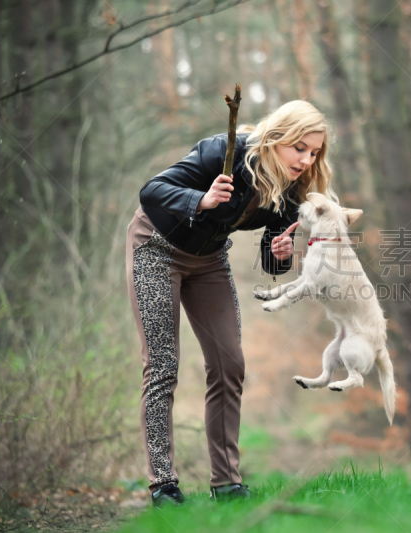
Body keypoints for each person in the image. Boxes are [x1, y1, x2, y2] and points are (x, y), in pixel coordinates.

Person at [125, 100, 336, 506]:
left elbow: (274, 256)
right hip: (155, 247)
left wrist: (281, 250)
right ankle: (163, 483)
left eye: (314, 153)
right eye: (300, 148)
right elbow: (152, 191)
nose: (306, 160)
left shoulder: (293, 188)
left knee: (229, 364)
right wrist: (201, 200)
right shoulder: (222, 152)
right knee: (163, 364)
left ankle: (226, 483)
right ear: (278, 137)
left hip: (208, 260)